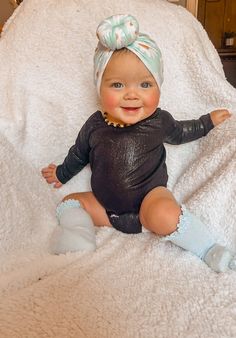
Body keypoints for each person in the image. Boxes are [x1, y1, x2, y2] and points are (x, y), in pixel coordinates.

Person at [42, 14, 235, 272]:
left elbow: (181, 132)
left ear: (158, 86)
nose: (132, 94)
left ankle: (208, 248)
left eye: (145, 84)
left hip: (148, 201)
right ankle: (78, 236)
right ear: (100, 89)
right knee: (70, 203)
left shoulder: (158, 121)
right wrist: (61, 173)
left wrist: (206, 122)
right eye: (118, 84)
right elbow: (79, 154)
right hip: (106, 210)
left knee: (165, 214)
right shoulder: (94, 125)